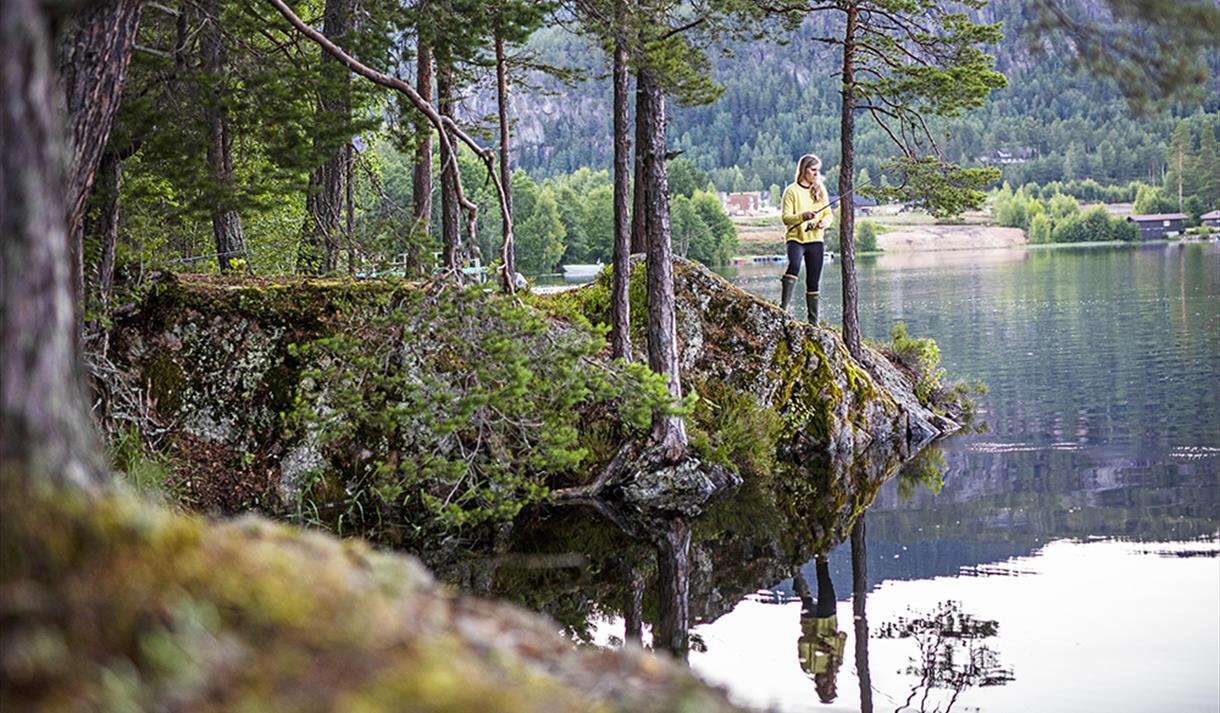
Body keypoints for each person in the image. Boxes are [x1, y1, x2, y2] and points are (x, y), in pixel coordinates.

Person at [780, 154, 833, 323]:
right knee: (794, 265)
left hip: (816, 240)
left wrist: (824, 222)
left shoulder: (820, 190)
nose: (817, 174)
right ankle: (783, 308)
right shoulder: (791, 191)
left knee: (813, 281)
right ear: (804, 170)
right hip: (796, 238)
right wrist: (802, 216)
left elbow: (828, 214)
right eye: (813, 170)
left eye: (818, 170)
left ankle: (813, 322)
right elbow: (786, 218)